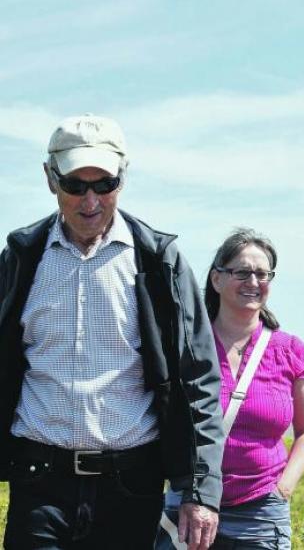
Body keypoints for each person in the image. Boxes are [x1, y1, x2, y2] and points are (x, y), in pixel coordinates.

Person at [0, 114, 224, 549]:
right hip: (39, 480)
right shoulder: (21, 258)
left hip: (131, 484)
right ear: (50, 179)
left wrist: (200, 492)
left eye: (104, 185)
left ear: (123, 178)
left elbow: (198, 380)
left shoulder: (160, 261)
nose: (90, 201)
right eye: (75, 185)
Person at [159, 228, 304, 549]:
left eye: (263, 274)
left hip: (260, 512)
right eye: (242, 272)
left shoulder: (290, 350)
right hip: (189, 507)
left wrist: (284, 488)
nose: (254, 282)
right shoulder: (183, 346)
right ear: (216, 279)